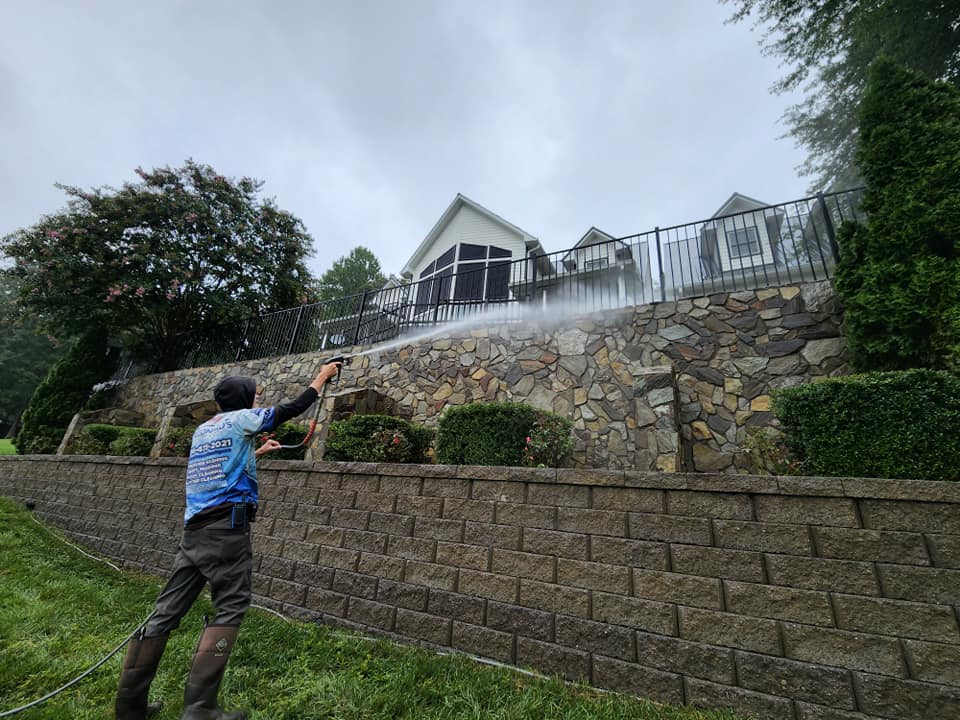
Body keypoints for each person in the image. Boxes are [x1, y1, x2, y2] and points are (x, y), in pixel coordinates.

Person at [114, 360, 342, 720]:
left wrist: (256, 453)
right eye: (256, 396)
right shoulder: (242, 420)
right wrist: (322, 377)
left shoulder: (206, 429)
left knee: (165, 613)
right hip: (226, 534)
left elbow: (222, 467)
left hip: (194, 535)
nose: (258, 402)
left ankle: (129, 708)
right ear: (244, 398)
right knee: (231, 607)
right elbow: (294, 408)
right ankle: (200, 709)